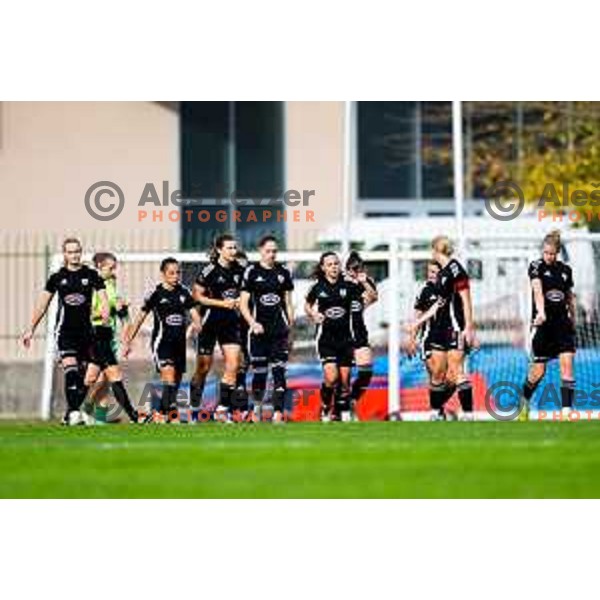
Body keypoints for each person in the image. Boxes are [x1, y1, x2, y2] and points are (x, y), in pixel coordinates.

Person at [21, 238, 109, 425]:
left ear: (80, 252)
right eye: (70, 252)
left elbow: (103, 298)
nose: (74, 255)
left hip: (87, 333)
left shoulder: (91, 274)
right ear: (65, 254)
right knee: (71, 370)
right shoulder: (57, 277)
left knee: (90, 376)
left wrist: (105, 315)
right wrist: (30, 329)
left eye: (77, 251)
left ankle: (70, 412)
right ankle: (76, 412)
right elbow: (42, 305)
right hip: (65, 332)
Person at [124, 257, 201, 422]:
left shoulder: (184, 291)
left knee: (175, 384)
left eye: (178, 273)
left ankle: (159, 414)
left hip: (179, 345)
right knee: (169, 377)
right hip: (162, 344)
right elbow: (139, 318)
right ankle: (173, 417)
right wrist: (129, 341)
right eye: (171, 273)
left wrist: (197, 325)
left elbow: (194, 313)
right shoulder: (155, 294)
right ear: (163, 274)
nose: (176, 276)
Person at [520, 230, 576, 421]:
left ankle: (566, 412)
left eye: (552, 253)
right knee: (538, 372)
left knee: (567, 365)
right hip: (543, 326)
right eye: (546, 253)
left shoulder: (566, 271)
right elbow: (537, 290)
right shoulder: (536, 266)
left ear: (557, 252)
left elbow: (569, 297)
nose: (548, 257)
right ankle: (524, 403)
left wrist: (573, 319)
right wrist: (541, 312)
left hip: (562, 325)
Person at [240, 235, 294, 423]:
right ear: (260, 251)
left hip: (279, 331)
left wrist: (290, 327)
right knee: (260, 373)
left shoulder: (283, 272)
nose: (272, 254)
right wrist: (253, 323)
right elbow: (243, 303)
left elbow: (288, 303)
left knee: (279, 372)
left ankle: (278, 413)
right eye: (268, 251)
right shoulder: (251, 272)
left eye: (274, 251)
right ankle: (256, 409)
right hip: (258, 333)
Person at [190, 234, 245, 422]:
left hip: (231, 323)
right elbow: (197, 296)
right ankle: (194, 408)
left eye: (235, 248)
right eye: (229, 248)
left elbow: (245, 294)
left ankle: (222, 410)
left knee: (234, 364)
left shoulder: (240, 270)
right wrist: (222, 303)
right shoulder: (209, 270)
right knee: (203, 368)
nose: (233, 251)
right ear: (220, 250)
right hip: (210, 322)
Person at [80, 252, 138, 424]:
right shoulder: (89, 285)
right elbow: (85, 313)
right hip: (94, 335)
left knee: (101, 380)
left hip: (109, 336)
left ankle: (97, 416)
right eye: (110, 268)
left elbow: (120, 313)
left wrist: (121, 307)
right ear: (99, 266)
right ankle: (80, 410)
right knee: (104, 377)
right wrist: (108, 310)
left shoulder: (111, 284)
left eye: (115, 268)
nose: (114, 272)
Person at [304, 252, 360, 421]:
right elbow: (307, 305)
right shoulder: (317, 287)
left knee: (344, 381)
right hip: (326, 339)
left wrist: (363, 282)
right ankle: (325, 406)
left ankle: (339, 411)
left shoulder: (348, 284)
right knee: (331, 377)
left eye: (336, 263)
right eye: (330, 264)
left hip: (346, 339)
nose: (334, 267)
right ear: (323, 268)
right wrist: (313, 314)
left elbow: (369, 298)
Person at [430, 235, 478, 420]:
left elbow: (466, 300)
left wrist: (469, 327)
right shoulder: (442, 273)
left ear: (435, 250)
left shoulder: (456, 270)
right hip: (438, 329)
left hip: (455, 327)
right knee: (438, 372)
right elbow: (440, 303)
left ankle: (468, 414)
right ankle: (436, 412)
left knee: (457, 371)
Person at [405, 260, 456, 420]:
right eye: (430, 272)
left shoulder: (451, 289)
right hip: (430, 337)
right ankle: (435, 413)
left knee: (453, 379)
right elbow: (418, 316)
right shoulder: (425, 291)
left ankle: (437, 407)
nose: (431, 275)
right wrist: (412, 339)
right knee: (437, 375)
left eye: (435, 272)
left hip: (449, 336)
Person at [344, 251, 378, 418]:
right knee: (342, 377)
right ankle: (337, 409)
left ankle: (353, 400)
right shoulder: (340, 283)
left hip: (358, 333)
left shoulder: (364, 284)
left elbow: (373, 298)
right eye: (351, 268)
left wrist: (363, 282)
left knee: (366, 372)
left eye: (358, 268)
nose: (354, 271)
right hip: (340, 335)